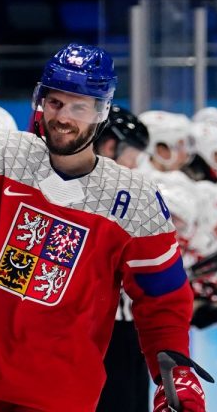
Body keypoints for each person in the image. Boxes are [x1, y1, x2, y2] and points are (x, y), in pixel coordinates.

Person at [0, 44, 209, 411]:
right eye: (55, 103)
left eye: (79, 106)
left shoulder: (135, 199)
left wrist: (173, 372)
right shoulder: (2, 151)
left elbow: (163, 300)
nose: (63, 117)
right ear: (40, 102)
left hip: (50, 391)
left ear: (102, 111)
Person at [93, 105, 151, 412]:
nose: (133, 164)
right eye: (131, 154)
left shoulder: (127, 193)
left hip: (124, 327)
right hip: (98, 328)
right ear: (110, 144)